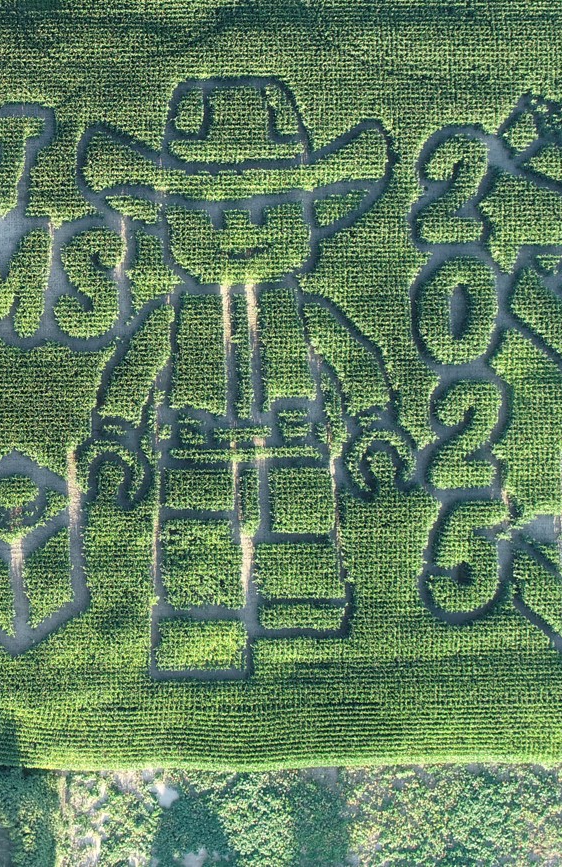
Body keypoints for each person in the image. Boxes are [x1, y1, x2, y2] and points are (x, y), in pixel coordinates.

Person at [76, 77, 413, 679]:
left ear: (306, 218)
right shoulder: (177, 316)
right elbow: (133, 373)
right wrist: (118, 433)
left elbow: (355, 362)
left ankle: (305, 649)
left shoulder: (304, 312)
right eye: (211, 216)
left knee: (302, 548)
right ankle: (195, 634)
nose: (238, 231)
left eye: (263, 212)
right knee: (196, 554)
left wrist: (371, 422)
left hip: (294, 450)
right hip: (195, 454)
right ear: (170, 223)